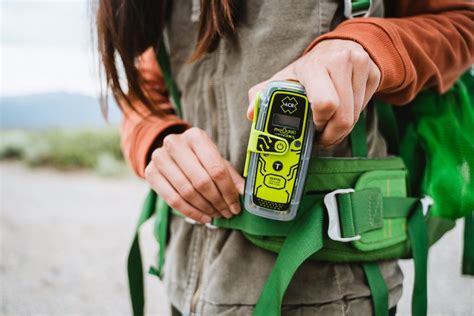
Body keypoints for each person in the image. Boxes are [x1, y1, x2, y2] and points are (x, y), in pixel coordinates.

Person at [96, 0, 473, 314]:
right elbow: (145, 92)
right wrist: (157, 139)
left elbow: (462, 22)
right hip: (188, 286)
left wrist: (368, 47)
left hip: (330, 298)